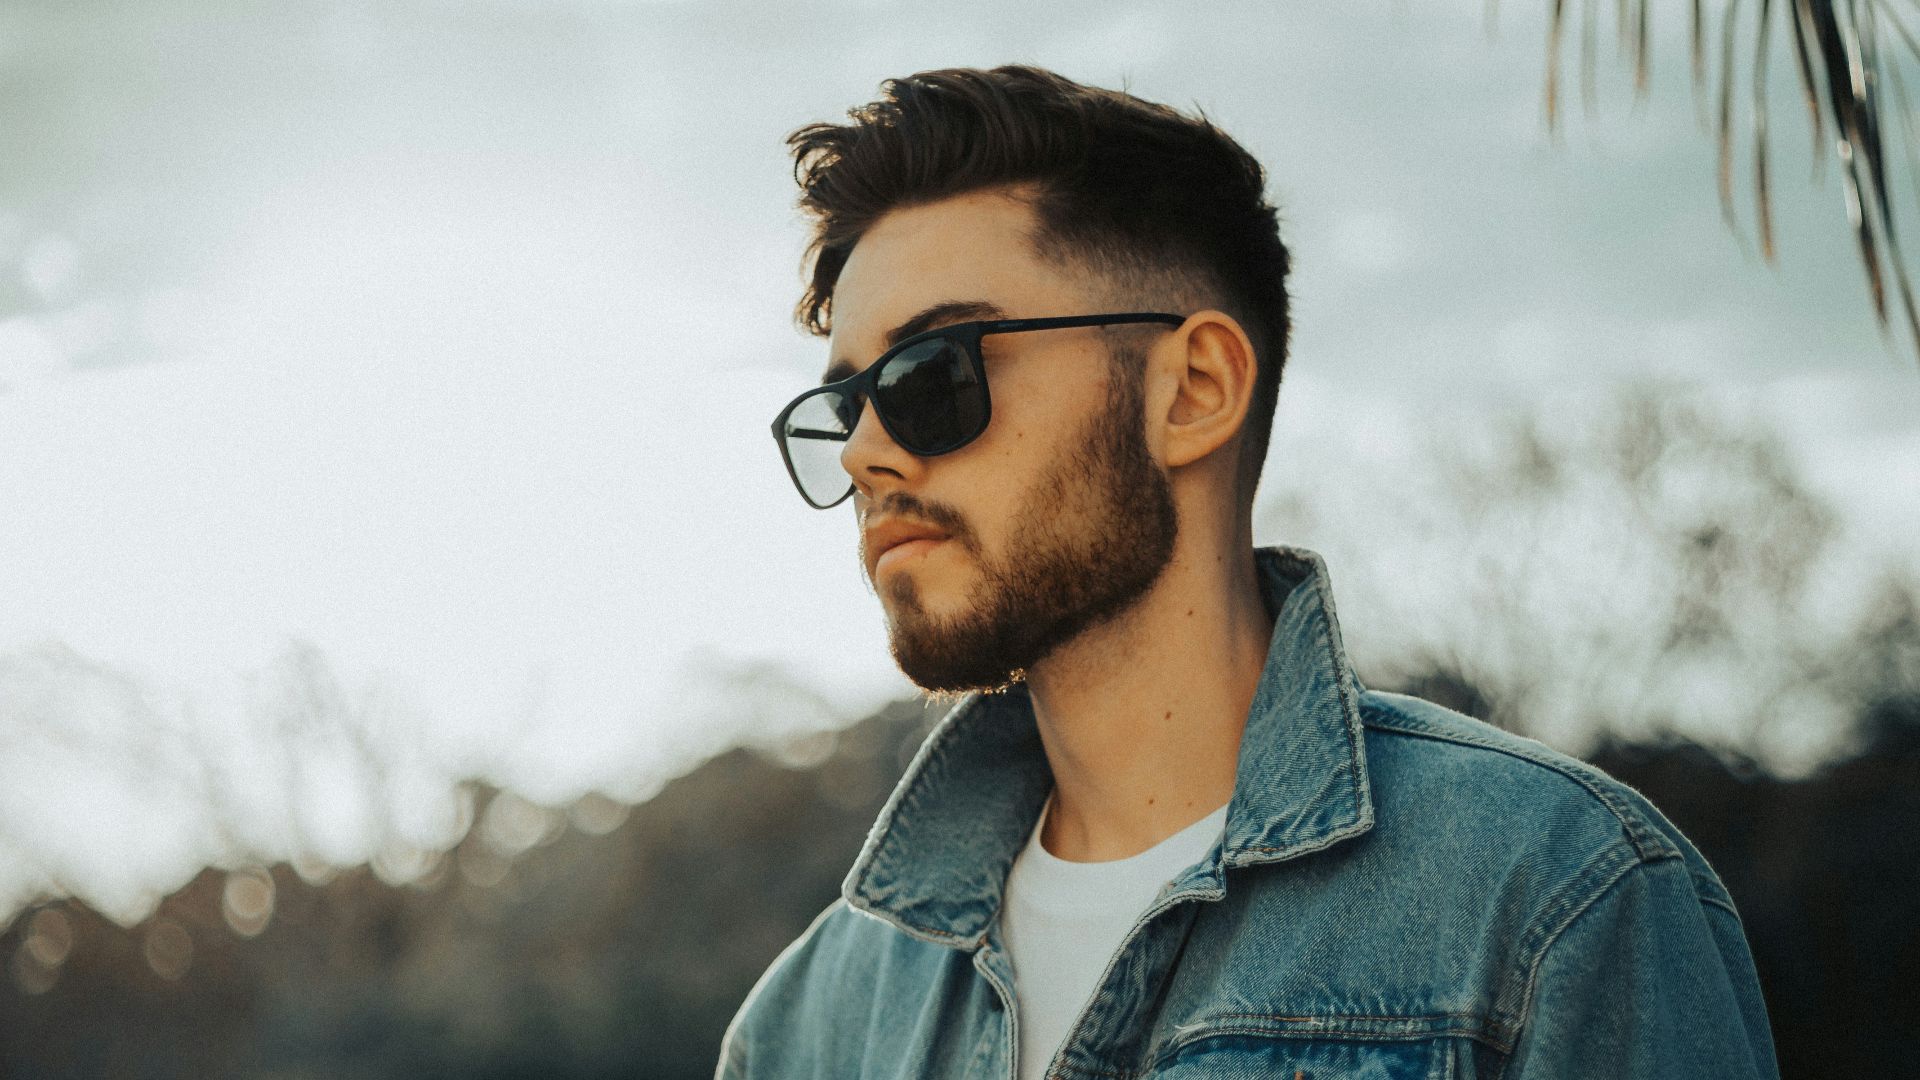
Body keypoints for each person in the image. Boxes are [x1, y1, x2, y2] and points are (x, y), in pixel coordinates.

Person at [721, 65, 1779, 1080]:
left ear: (1194, 391)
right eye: (844, 407)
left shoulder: (1554, 899)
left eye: (930, 373)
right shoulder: (811, 1020)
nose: (866, 453)